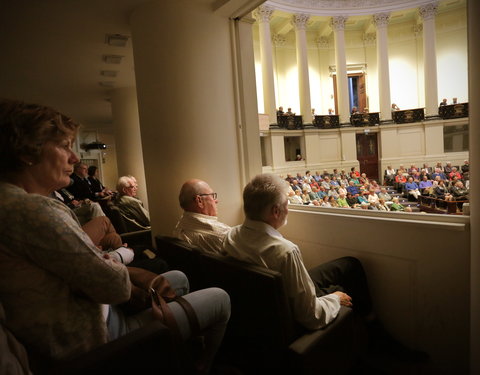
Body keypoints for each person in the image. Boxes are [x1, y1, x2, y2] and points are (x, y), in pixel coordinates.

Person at [0, 99, 230, 372]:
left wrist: (116, 267)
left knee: (177, 278)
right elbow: (114, 287)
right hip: (96, 339)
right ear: (28, 151)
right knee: (220, 298)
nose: (74, 158)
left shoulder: (10, 202)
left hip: (72, 324)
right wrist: (126, 271)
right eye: (64, 147)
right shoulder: (33, 210)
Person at [223, 174, 426, 361]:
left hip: (265, 304)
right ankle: (373, 338)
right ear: (275, 211)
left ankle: (371, 326)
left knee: (350, 265)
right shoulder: (285, 251)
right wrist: (335, 298)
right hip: (287, 315)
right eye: (286, 204)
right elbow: (311, 317)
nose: (289, 208)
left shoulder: (231, 236)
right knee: (342, 289)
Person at [173, 179, 231, 255]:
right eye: (213, 196)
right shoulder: (223, 235)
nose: (216, 201)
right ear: (199, 201)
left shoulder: (179, 226)